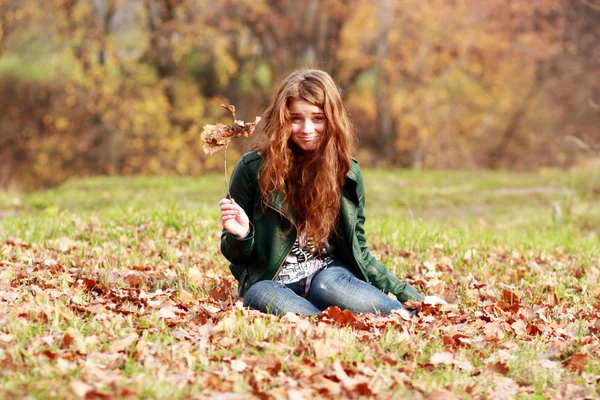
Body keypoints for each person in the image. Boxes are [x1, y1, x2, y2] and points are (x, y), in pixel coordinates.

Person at [218, 69, 446, 316]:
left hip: (329, 276)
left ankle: (403, 317)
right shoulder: (252, 169)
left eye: (317, 118)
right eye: (296, 118)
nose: (307, 128)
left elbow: (360, 253)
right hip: (273, 282)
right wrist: (243, 234)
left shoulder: (346, 173)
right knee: (258, 294)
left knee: (328, 286)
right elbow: (235, 255)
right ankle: (327, 323)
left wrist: (416, 299)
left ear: (332, 119)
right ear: (283, 119)